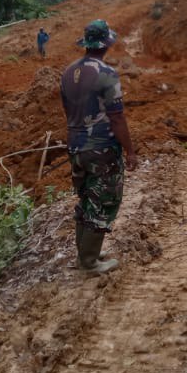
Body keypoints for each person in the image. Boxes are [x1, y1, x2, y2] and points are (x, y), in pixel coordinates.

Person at [60, 19, 137, 274]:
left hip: (75, 146)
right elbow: (117, 117)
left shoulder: (68, 72)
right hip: (101, 149)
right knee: (103, 200)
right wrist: (130, 150)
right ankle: (90, 262)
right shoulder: (106, 74)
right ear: (106, 44)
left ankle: (85, 253)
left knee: (85, 198)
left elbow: (68, 110)